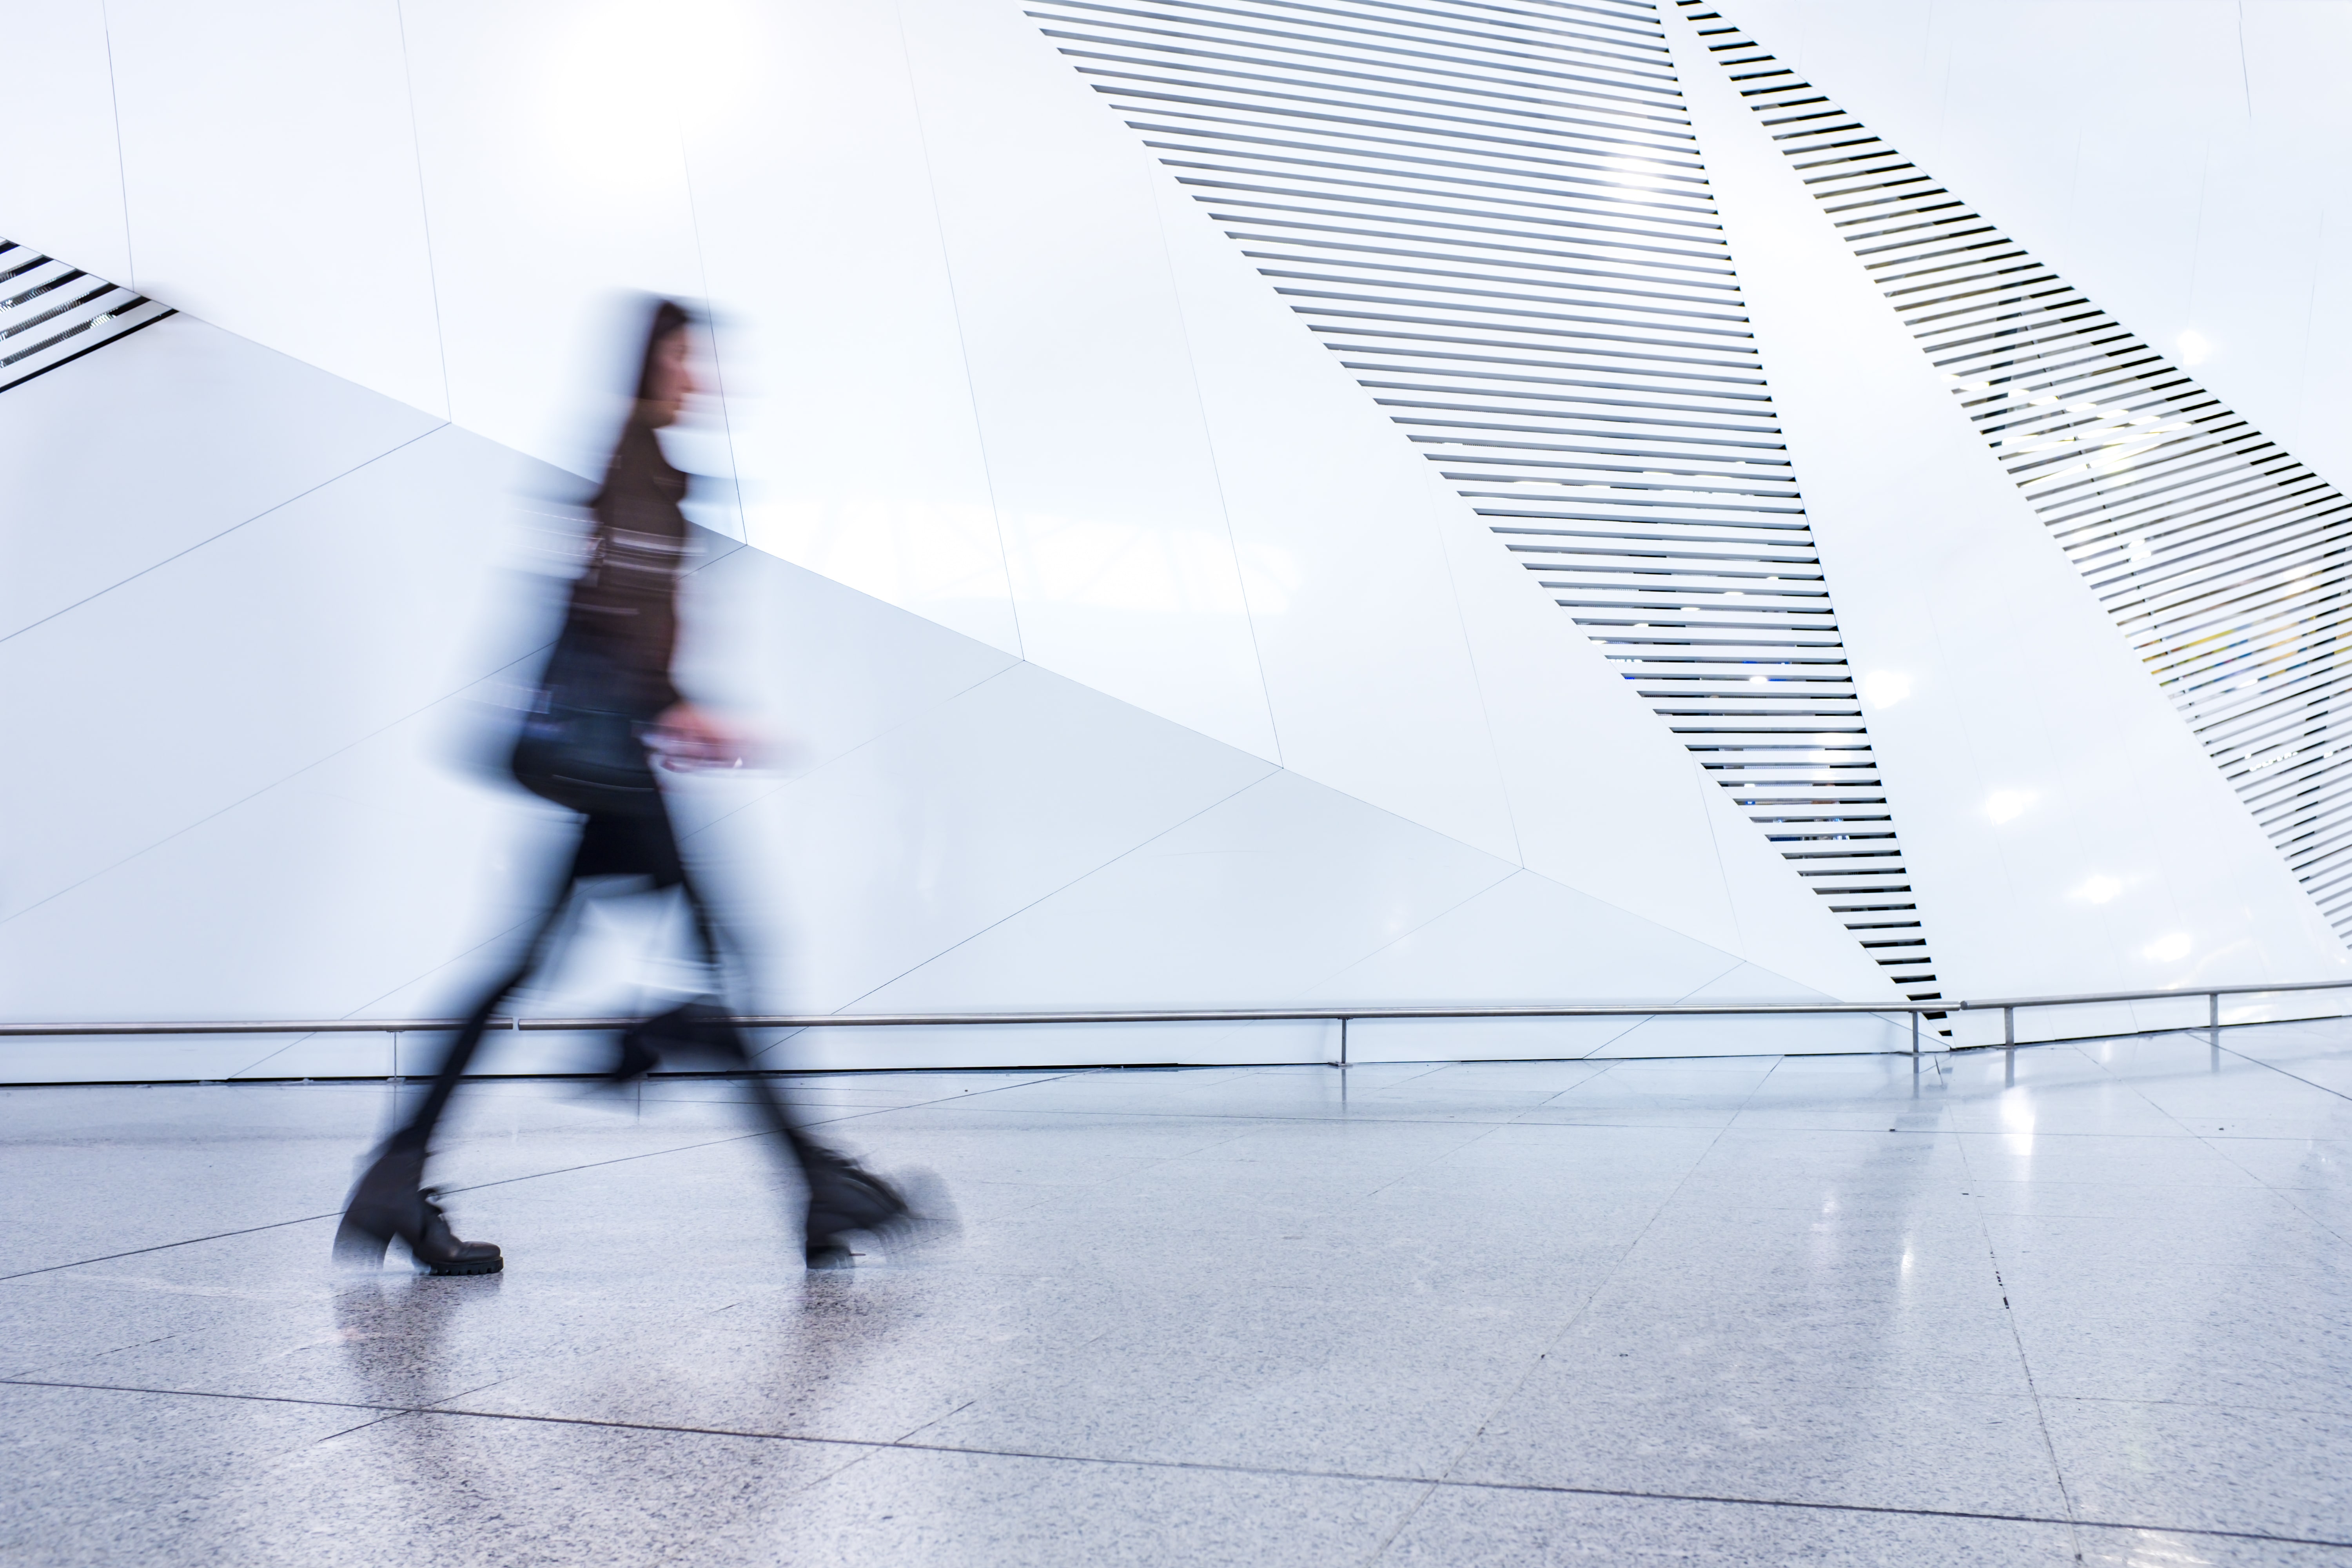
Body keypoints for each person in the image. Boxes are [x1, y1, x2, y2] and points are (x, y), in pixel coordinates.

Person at [336, 299, 924, 1275]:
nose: (704, 375)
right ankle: (733, 1120)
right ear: (657, 360)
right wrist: (682, 710)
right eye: (691, 356)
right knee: (722, 961)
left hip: (610, 767)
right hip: (614, 770)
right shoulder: (637, 472)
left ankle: (401, 1175)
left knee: (535, 968)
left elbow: (619, 609)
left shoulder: (646, 469)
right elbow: (613, 611)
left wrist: (678, 705)